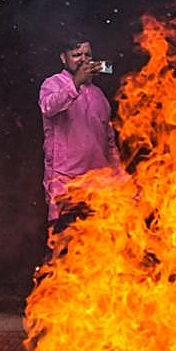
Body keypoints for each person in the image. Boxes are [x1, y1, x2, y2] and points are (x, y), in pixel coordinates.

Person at [39, 39, 123, 231]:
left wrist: (120, 177)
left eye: (88, 55)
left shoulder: (99, 95)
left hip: (99, 184)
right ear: (63, 58)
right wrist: (76, 83)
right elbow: (49, 107)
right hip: (66, 183)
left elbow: (109, 143)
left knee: (98, 247)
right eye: (76, 55)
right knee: (64, 246)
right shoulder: (52, 84)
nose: (83, 60)